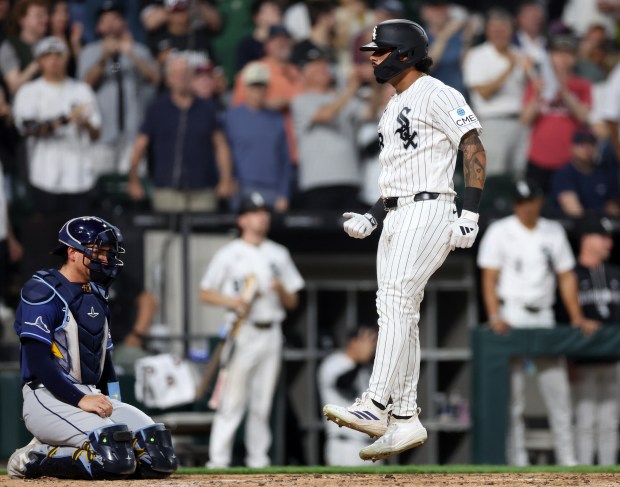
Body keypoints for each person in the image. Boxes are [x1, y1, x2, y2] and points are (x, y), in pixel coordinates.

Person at [322, 19, 487, 462]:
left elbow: (472, 144)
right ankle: (406, 417)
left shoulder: (438, 92)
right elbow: (397, 176)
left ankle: (375, 403)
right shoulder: (393, 105)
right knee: (399, 309)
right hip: (398, 212)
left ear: (404, 54)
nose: (372, 58)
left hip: (431, 207)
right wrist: (373, 217)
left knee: (396, 300)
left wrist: (470, 213)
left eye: (379, 51)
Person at [7, 216, 178, 480]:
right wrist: (79, 399)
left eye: (107, 253)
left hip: (90, 395)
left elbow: (105, 361)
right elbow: (39, 362)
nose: (105, 259)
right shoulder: (41, 290)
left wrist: (115, 403)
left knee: (158, 453)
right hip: (48, 397)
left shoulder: (96, 293)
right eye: (97, 252)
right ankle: (35, 457)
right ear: (73, 252)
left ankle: (68, 447)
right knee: (112, 456)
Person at [477, 179, 599, 466]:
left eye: (529, 200)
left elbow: (566, 277)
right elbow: (489, 277)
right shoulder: (500, 230)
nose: (525, 207)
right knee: (514, 397)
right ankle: (516, 461)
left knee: (557, 392)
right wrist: (494, 316)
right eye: (520, 201)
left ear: (539, 201)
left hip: (543, 315)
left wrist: (576, 316)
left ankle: (568, 460)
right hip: (512, 313)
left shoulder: (553, 231)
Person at [199, 192, 304, 468]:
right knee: (232, 401)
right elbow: (205, 293)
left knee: (262, 403)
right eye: (255, 212)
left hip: (271, 331)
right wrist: (234, 301)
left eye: (264, 212)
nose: (262, 217)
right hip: (241, 330)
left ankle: (258, 460)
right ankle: (218, 460)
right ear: (242, 219)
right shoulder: (229, 253)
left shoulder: (278, 253)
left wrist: (279, 287)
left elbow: (294, 300)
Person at [127, 53, 235, 212]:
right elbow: (140, 145)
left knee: (202, 234)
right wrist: (133, 178)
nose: (182, 78)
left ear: (192, 77)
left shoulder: (207, 109)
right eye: (176, 74)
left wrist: (226, 179)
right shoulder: (157, 109)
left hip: (202, 190)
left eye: (186, 73)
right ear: (168, 79)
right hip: (167, 190)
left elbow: (221, 146)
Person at [12, 36, 101, 215]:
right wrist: (65, 120)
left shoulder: (81, 90)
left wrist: (85, 124)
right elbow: (30, 129)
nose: (54, 60)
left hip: (79, 176)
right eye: (48, 55)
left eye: (58, 55)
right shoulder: (28, 91)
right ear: (40, 61)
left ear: (66, 58)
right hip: (44, 177)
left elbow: (96, 132)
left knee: (78, 239)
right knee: (47, 238)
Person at [78, 0, 160, 176]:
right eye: (105, 20)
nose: (111, 24)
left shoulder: (138, 50)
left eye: (115, 18)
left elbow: (155, 79)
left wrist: (131, 54)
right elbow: (85, 85)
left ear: (125, 22)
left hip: (133, 133)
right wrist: (104, 58)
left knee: (133, 185)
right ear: (98, 27)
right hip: (103, 134)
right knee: (101, 189)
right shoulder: (90, 52)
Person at [573, 216, 620, 465]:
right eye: (603, 237)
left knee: (610, 422)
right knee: (585, 420)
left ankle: (609, 475)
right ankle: (582, 475)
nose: (609, 243)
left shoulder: (615, 273)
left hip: (614, 360)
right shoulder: (571, 274)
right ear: (587, 239)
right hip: (582, 360)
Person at [462, 8, 529, 177]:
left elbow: (532, 89)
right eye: (495, 30)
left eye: (503, 29)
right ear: (488, 32)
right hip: (492, 122)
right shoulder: (477, 55)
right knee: (493, 175)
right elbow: (484, 92)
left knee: (519, 175)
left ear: (511, 30)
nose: (499, 34)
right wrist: (510, 68)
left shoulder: (521, 55)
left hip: (521, 122)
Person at [224, 62, 292, 213]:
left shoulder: (277, 119)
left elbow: (284, 159)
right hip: (242, 188)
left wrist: (284, 193)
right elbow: (224, 152)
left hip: (272, 189)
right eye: (253, 86)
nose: (257, 91)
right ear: (245, 88)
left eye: (261, 86)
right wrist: (228, 179)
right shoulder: (231, 117)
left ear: (267, 89)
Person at [318, 326, 378, 466]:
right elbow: (344, 386)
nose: (372, 346)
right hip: (345, 446)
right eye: (368, 341)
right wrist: (360, 363)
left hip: (370, 446)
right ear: (354, 342)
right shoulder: (334, 362)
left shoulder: (365, 369)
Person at [550, 127, 620, 217]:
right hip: (575, 226)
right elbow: (574, 211)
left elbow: (612, 206)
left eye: (591, 143)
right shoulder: (564, 174)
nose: (587, 148)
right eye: (581, 143)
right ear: (572, 147)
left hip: (603, 224)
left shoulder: (603, 171)